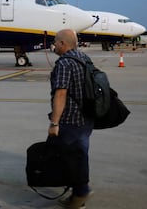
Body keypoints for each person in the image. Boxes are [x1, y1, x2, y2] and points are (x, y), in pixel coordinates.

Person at [49, 29, 94, 208]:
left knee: (71, 158)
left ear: (62, 44)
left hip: (71, 119)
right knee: (80, 154)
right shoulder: (84, 58)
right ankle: (78, 195)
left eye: (55, 42)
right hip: (87, 118)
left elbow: (60, 93)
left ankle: (81, 192)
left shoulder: (65, 63)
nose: (53, 45)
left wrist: (54, 122)